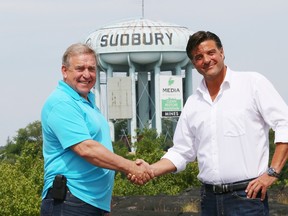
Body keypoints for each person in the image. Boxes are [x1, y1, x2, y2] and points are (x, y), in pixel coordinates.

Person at [130, 31, 288, 215]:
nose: (206, 60)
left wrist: (273, 173)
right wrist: (150, 169)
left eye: (211, 53)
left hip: (247, 198)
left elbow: (284, 123)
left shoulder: (252, 84)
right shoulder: (193, 103)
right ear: (193, 63)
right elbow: (182, 151)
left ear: (222, 52)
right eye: (199, 57)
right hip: (209, 200)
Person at [40, 43, 153, 216]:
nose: (86, 75)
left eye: (91, 69)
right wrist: (130, 166)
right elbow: (86, 149)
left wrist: (103, 206)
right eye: (80, 68)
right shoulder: (61, 102)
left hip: (90, 203)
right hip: (70, 201)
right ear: (65, 71)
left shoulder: (87, 102)